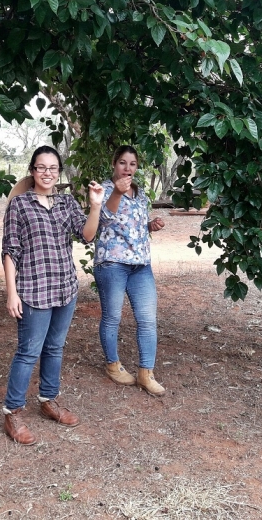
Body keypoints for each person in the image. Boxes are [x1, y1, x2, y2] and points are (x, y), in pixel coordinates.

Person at [1, 146, 104, 445]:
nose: (47, 173)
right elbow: (10, 250)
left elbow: (86, 235)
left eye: (53, 168)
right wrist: (12, 292)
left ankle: (48, 399)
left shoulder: (66, 202)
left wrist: (95, 206)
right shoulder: (19, 205)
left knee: (55, 347)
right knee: (28, 351)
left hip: (64, 287)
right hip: (33, 290)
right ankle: (13, 412)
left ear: (58, 172)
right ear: (32, 171)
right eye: (41, 167)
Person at [94, 146, 166, 396]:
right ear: (114, 164)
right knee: (112, 317)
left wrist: (150, 225)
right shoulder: (102, 190)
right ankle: (113, 365)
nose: (127, 168)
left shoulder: (141, 194)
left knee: (147, 319)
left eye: (132, 164)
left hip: (141, 265)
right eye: (123, 163)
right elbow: (102, 220)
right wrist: (116, 192)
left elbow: (134, 225)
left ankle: (146, 373)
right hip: (112, 263)